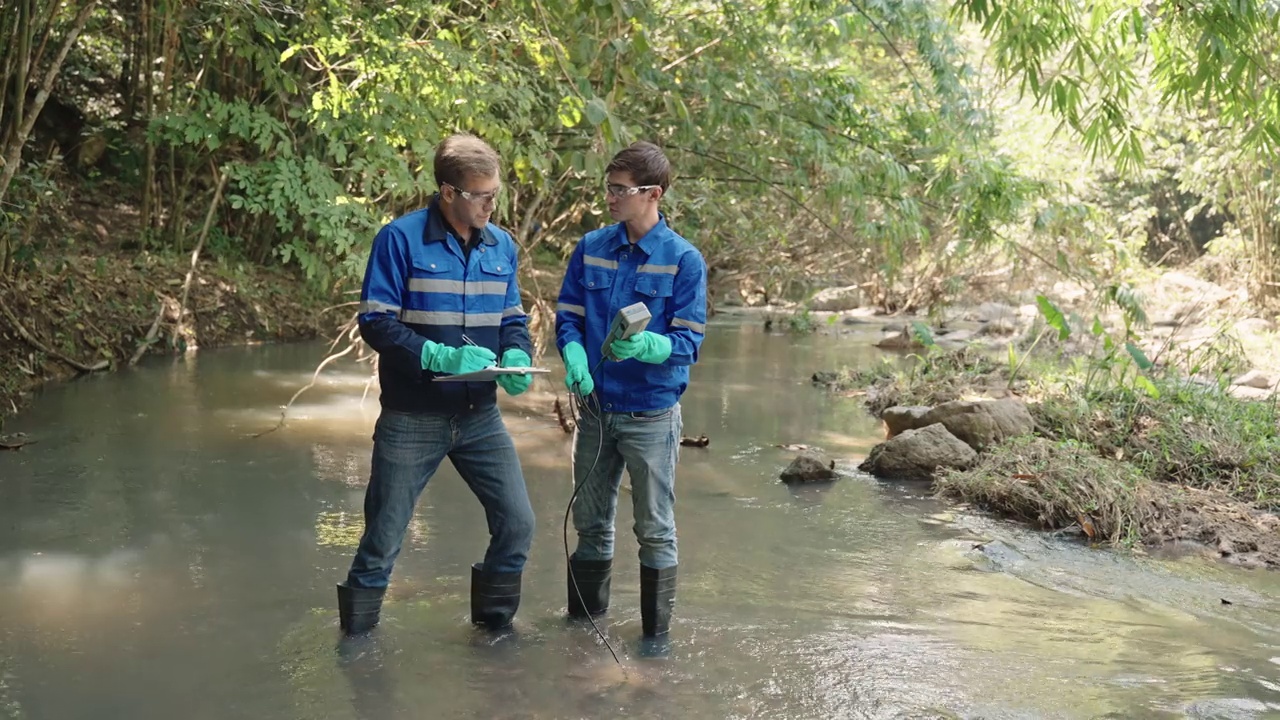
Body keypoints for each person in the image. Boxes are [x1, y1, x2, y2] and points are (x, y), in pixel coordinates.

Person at [337, 133, 536, 634]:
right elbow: (376, 321)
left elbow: (513, 315)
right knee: (383, 536)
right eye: (481, 195)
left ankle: (493, 638)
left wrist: (517, 351)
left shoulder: (502, 245)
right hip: (412, 416)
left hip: (480, 417)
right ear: (448, 192)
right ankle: (356, 650)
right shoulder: (399, 239)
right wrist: (436, 354)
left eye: (496, 193)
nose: (492, 204)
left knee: (518, 524)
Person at [554, 141, 707, 638]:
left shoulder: (684, 260)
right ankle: (582, 634)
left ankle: (654, 646)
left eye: (620, 190)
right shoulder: (591, 248)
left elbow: (687, 343)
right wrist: (574, 355)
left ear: (653, 193)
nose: (610, 198)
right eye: (608, 187)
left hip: (651, 415)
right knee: (591, 525)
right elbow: (569, 317)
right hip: (595, 411)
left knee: (655, 531)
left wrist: (645, 348)